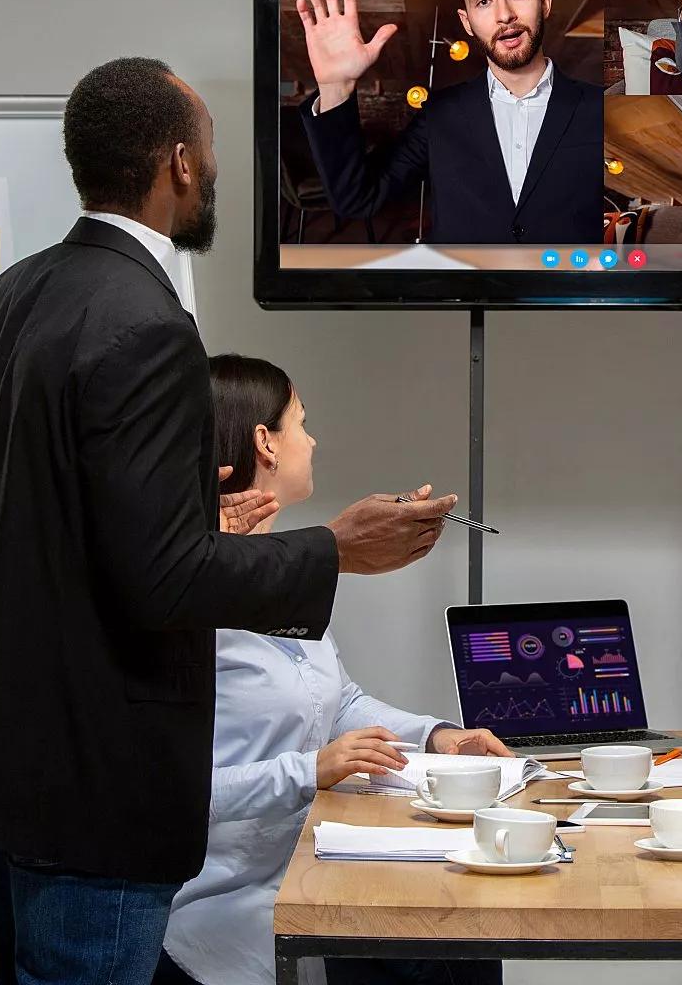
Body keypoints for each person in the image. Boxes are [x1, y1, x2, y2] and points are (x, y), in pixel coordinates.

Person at [0, 57, 461, 985]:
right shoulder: (147, 324)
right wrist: (336, 549)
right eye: (208, 150)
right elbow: (161, 580)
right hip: (94, 795)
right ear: (180, 163)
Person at [155, 354, 507, 985]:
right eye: (301, 422)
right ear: (264, 442)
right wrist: (310, 770)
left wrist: (438, 736)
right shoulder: (186, 599)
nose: (313, 440)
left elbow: (337, 703)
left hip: (312, 870)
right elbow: (168, 792)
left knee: (463, 939)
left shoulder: (279, 573)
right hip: (224, 904)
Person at [296, 0, 604, 245]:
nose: (505, 14)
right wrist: (335, 86)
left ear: (545, 2)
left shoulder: (600, 108)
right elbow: (359, 200)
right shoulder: (440, 113)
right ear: (466, 22)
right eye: (483, 1)